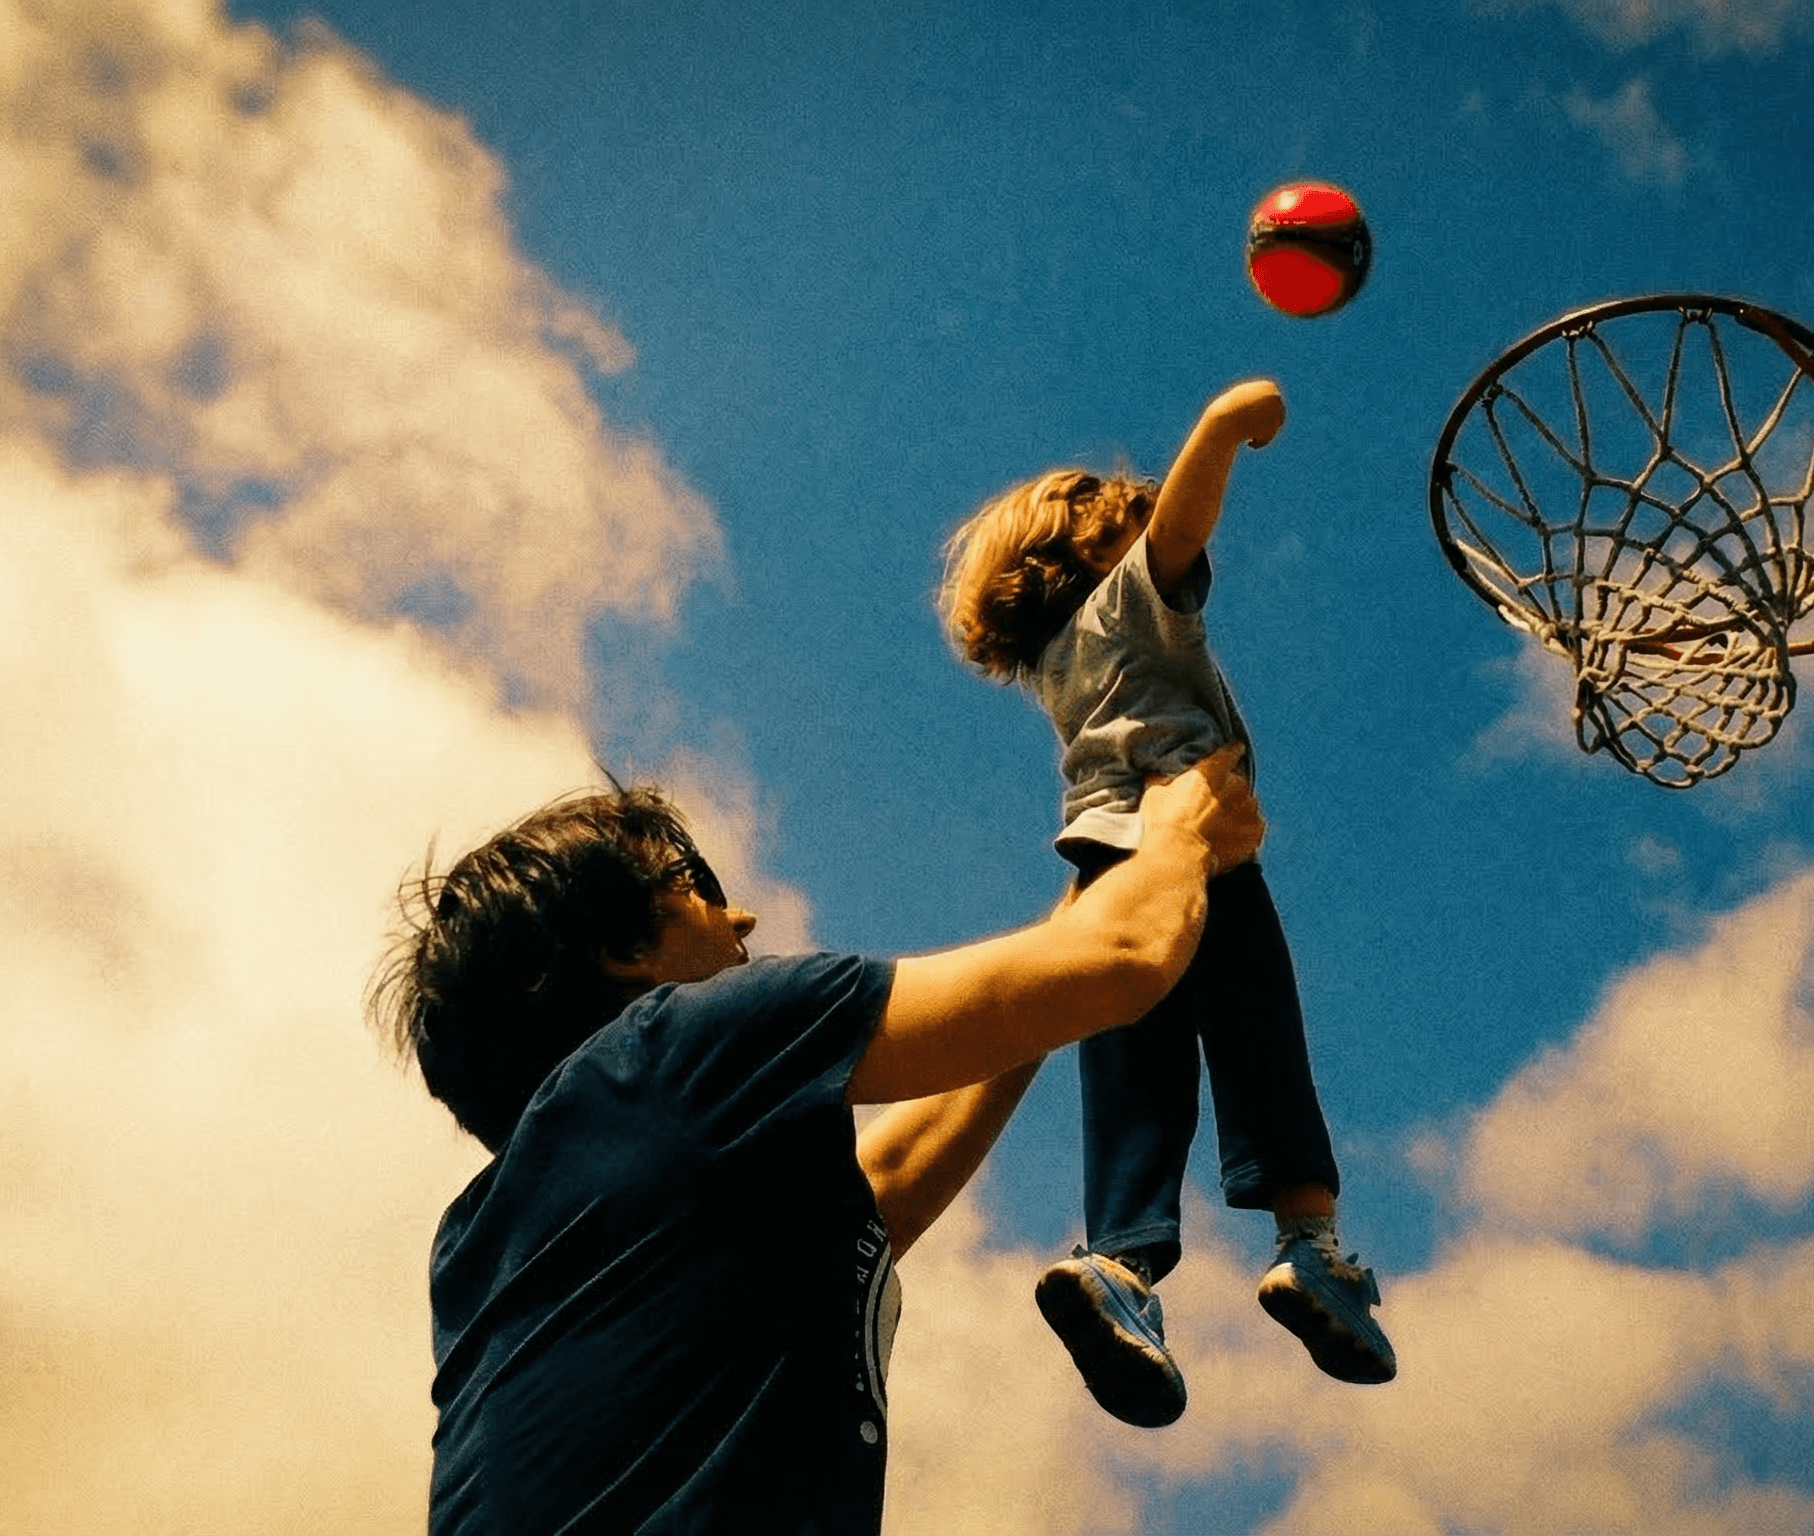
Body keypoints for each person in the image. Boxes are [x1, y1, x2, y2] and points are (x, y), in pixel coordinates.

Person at [374, 747, 1261, 1534]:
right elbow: (1127, 961)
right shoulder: (683, 1042)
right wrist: (1177, 830)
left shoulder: (486, 1239)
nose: (744, 921)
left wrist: (1063, 942)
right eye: (696, 882)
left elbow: (886, 1178)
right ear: (622, 946)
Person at [935, 377, 1396, 1430]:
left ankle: (1116, 1261)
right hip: (1194, 852)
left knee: (1134, 1067)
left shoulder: (1052, 661)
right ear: (1101, 551)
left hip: (1104, 872)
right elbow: (1182, 525)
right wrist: (1226, 424)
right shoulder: (1128, 604)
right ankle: (1309, 1249)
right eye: (1129, 529)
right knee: (1260, 1042)